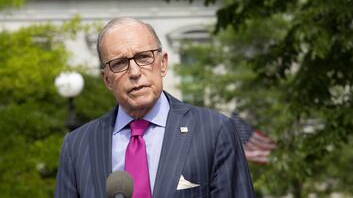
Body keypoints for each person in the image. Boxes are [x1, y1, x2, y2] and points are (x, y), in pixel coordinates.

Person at [55, 17, 255, 198]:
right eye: (119, 63)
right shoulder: (78, 146)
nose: (134, 72)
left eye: (143, 57)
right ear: (107, 79)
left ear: (163, 64)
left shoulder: (214, 131)